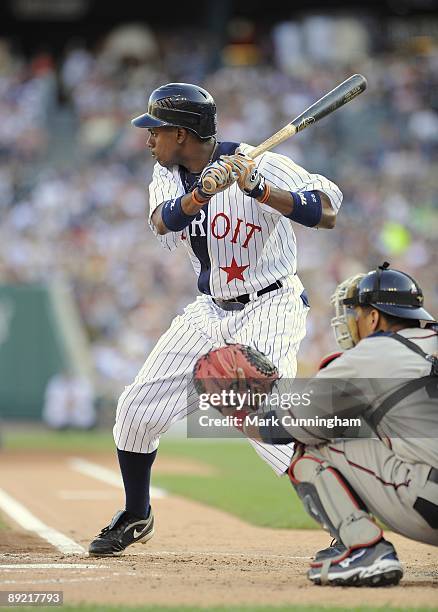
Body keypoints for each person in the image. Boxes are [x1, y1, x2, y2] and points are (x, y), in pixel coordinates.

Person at [88, 82, 343, 556]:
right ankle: (137, 513)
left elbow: (326, 212)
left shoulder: (261, 162)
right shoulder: (167, 172)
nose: (148, 139)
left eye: (156, 130)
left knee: (265, 422)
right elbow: (162, 221)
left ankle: (349, 525)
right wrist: (199, 196)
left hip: (271, 304)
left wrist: (259, 189)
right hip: (209, 310)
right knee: (134, 413)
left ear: (182, 134)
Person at [205, 263, 437, 586]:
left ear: (374, 317)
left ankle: (365, 551)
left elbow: (288, 425)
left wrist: (240, 416)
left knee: (310, 447)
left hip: (431, 503)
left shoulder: (372, 354)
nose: (352, 320)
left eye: (356, 312)